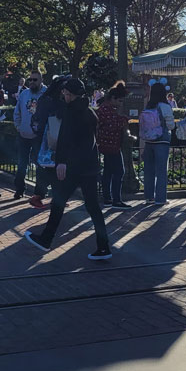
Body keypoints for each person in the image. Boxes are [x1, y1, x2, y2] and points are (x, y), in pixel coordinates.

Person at [24, 77, 112, 260]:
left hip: (76, 168)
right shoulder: (85, 112)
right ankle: (103, 247)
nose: (63, 96)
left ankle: (46, 239)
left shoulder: (75, 113)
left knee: (60, 202)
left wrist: (63, 162)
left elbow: (70, 141)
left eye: (65, 93)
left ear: (70, 95)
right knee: (91, 206)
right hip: (88, 167)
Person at [28, 76, 66, 209]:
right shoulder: (58, 102)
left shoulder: (43, 99)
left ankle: (39, 195)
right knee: (55, 170)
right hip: (53, 139)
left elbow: (35, 117)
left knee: (44, 168)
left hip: (41, 138)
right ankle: (54, 197)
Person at [96, 81, 131, 209]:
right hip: (111, 145)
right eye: (120, 101)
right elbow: (112, 125)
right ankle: (116, 199)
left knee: (108, 172)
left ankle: (107, 198)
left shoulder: (105, 108)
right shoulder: (107, 110)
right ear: (113, 98)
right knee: (119, 171)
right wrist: (124, 119)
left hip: (108, 145)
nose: (120, 104)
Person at [140, 82, 175, 205]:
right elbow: (171, 125)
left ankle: (149, 197)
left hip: (149, 141)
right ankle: (160, 198)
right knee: (161, 171)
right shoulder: (165, 107)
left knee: (149, 170)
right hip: (162, 141)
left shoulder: (148, 106)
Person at [13, 72, 47, 200]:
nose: (32, 82)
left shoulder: (46, 93)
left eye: (35, 79)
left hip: (39, 136)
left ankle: (40, 192)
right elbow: (17, 112)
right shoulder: (24, 94)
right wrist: (18, 127)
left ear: (41, 80)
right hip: (24, 134)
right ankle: (19, 189)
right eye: (30, 79)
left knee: (40, 164)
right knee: (22, 163)